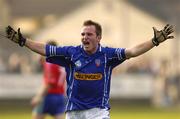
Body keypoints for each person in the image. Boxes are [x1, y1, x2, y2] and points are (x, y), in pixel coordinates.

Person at [5, 20, 174, 119]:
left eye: (89, 34)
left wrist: (154, 41)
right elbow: (46, 49)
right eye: (83, 34)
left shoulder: (108, 55)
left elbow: (132, 51)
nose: (85, 37)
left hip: (97, 112)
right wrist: (23, 41)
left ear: (98, 37)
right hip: (74, 112)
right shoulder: (72, 53)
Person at [30, 40, 66, 119]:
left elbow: (49, 83)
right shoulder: (61, 63)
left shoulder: (50, 63)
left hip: (48, 96)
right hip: (60, 96)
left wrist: (38, 96)